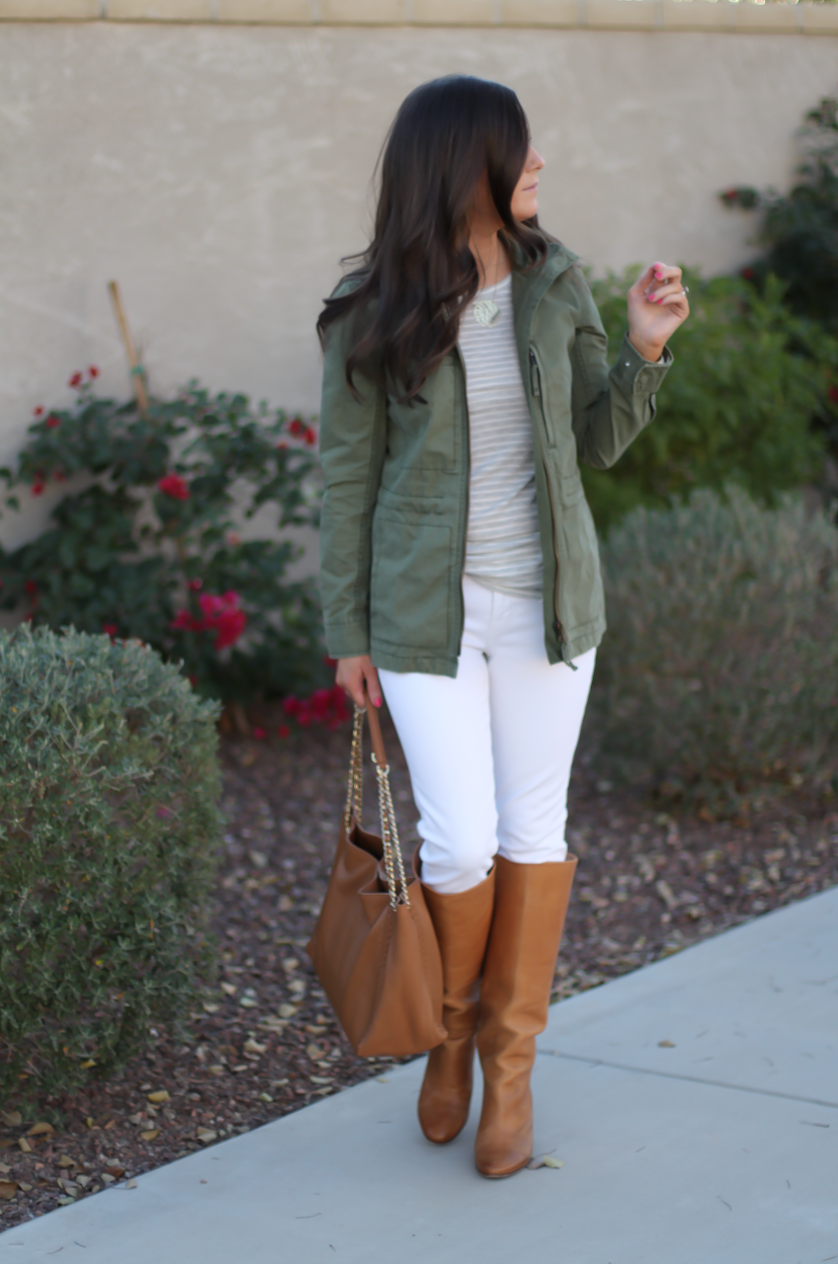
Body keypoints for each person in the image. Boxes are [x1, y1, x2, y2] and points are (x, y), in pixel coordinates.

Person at [316, 75, 688, 1179]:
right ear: (463, 164)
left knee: (533, 828)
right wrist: (348, 632)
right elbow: (346, 480)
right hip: (424, 616)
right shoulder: (371, 307)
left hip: (546, 606)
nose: (539, 169)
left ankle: (507, 1068)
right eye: (520, 153)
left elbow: (596, 441)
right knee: (461, 838)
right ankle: (445, 1038)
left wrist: (645, 348)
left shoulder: (554, 280)